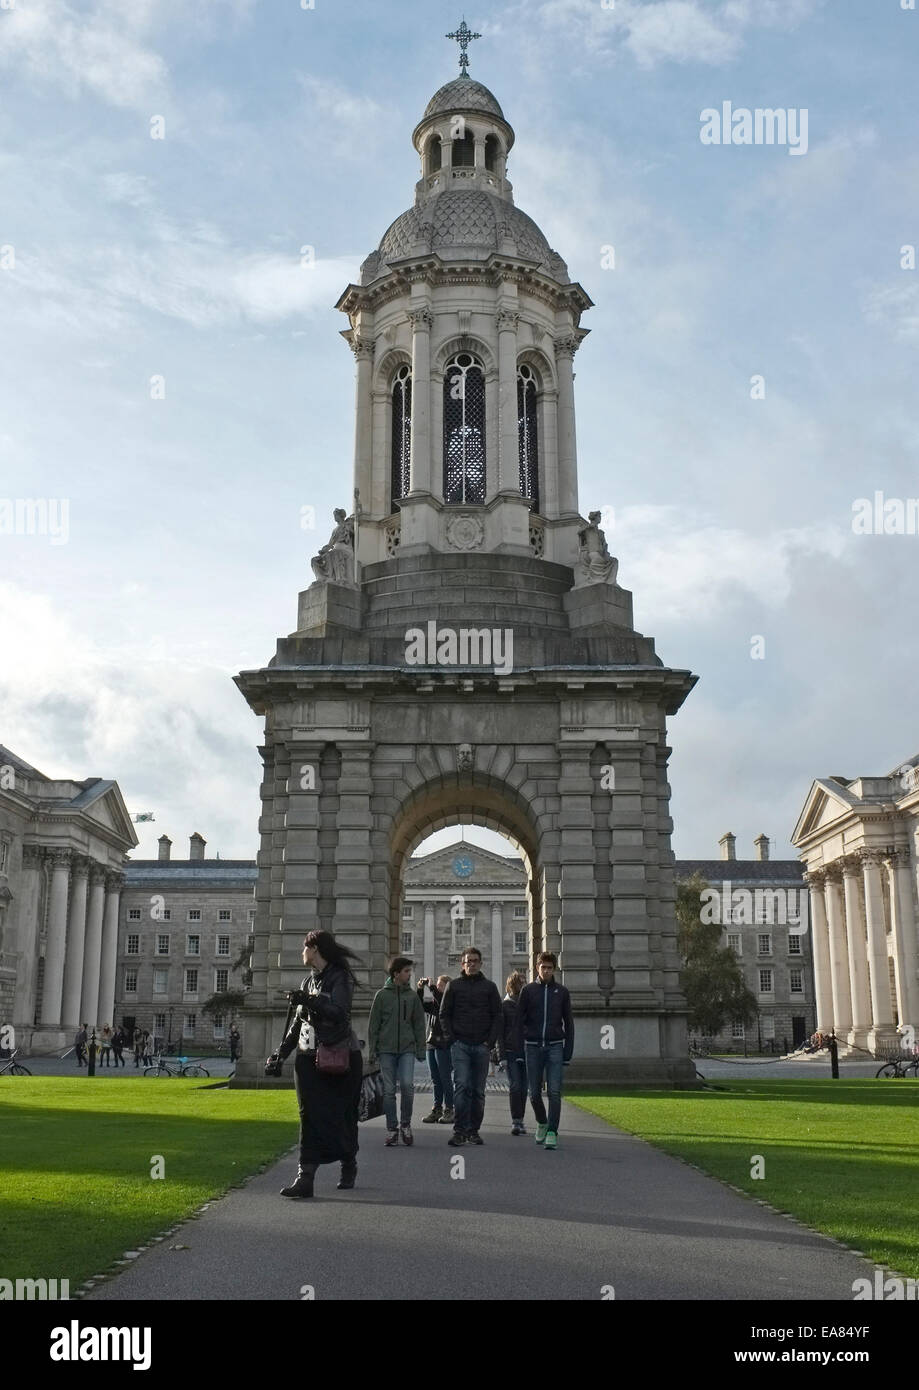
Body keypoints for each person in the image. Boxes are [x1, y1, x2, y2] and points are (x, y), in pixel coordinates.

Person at [268, 929, 363, 1199]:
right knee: (307, 1115)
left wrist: (310, 1000)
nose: (302, 952)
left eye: (305, 947)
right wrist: (280, 1054)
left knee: (343, 1114)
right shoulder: (307, 981)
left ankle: (349, 1163)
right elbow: (297, 1024)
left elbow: (339, 1014)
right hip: (308, 1057)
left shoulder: (340, 978)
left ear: (316, 949)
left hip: (340, 1057)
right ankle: (305, 1177)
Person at [439, 948, 501, 1147]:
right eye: (468, 961)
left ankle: (473, 1131)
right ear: (462, 964)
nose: (471, 964)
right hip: (460, 1045)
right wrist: (451, 1039)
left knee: (478, 1091)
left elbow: (497, 1017)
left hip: (482, 1046)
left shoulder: (490, 987)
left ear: (481, 963)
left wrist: (489, 1042)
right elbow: (444, 1014)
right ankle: (459, 1131)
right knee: (462, 1086)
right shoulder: (454, 986)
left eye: (475, 961)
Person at [518, 953, 574, 1150]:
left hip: (555, 1046)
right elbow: (519, 1021)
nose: (547, 971)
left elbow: (569, 1023)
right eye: (543, 967)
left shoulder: (562, 992)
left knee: (554, 1091)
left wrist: (568, 1052)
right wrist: (519, 1046)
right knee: (533, 1093)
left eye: (550, 967)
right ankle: (542, 1121)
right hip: (532, 1046)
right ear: (537, 968)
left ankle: (552, 1131)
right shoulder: (528, 990)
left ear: (554, 969)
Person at [368, 956, 426, 1146]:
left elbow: (419, 1024)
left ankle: (406, 1125)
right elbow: (373, 1025)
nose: (410, 974)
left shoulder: (412, 997)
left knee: (408, 1086)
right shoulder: (382, 996)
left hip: (407, 1049)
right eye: (407, 971)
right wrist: (372, 1051)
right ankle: (392, 1128)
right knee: (389, 1091)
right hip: (386, 1049)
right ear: (396, 974)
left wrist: (421, 1049)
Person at [417, 974, 454, 1124]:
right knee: (435, 1079)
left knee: (445, 1078)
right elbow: (423, 1005)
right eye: (437, 985)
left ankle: (450, 1109)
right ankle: (437, 1108)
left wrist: (432, 988)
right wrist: (421, 989)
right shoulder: (434, 1001)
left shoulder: (450, 1000)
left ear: (447, 987)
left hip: (444, 1043)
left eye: (440, 985)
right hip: (431, 1041)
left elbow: (441, 1003)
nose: (438, 987)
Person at [497, 971, 528, 1135]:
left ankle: (520, 1120)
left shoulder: (528, 1004)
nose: (523, 985)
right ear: (512, 985)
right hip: (510, 1051)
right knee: (515, 1086)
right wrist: (501, 1057)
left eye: (523, 982)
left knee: (524, 1088)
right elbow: (500, 1034)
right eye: (520, 983)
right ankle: (516, 1121)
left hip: (527, 1051)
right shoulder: (504, 1005)